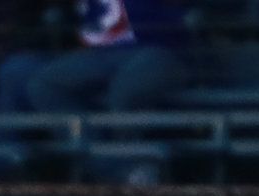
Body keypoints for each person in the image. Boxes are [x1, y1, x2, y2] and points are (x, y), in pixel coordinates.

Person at [27, 0, 185, 117]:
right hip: (99, 54)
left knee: (123, 91)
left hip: (156, 49)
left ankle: (129, 156)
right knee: (43, 84)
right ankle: (91, 152)